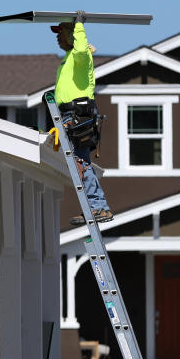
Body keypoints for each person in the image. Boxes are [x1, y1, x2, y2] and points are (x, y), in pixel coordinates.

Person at [51, 18, 113, 225]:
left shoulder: (80, 56)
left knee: (80, 164)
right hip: (71, 114)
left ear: (71, 36)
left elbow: (80, 50)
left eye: (61, 33)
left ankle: (98, 207)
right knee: (81, 163)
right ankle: (98, 207)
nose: (57, 37)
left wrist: (78, 26)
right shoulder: (69, 58)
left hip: (78, 115)